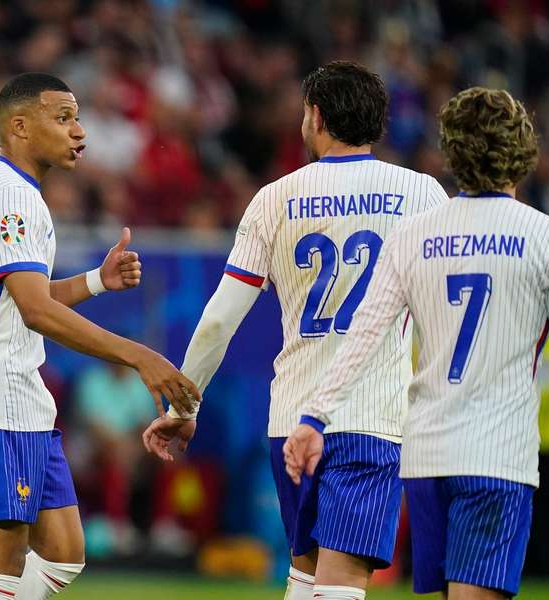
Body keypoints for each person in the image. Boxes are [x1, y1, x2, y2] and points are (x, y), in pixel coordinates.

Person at [284, 87, 549, 599]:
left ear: (452, 151)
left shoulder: (413, 235)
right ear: (524, 152)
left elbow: (364, 336)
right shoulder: (548, 236)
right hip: (497, 456)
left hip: (427, 458)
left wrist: (314, 418)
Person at [142, 61, 448, 600]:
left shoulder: (274, 199)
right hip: (370, 416)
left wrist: (183, 407)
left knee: (305, 576)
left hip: (292, 417)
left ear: (315, 116)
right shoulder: (422, 195)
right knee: (343, 581)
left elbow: (219, 319)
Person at [0, 72, 200, 600]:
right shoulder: (10, 195)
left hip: (16, 397)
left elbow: (22, 295)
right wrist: (139, 356)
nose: (79, 131)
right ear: (21, 126)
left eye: (77, 117)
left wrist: (98, 281)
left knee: (64, 555)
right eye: (64, 117)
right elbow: (34, 311)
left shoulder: (7, 189)